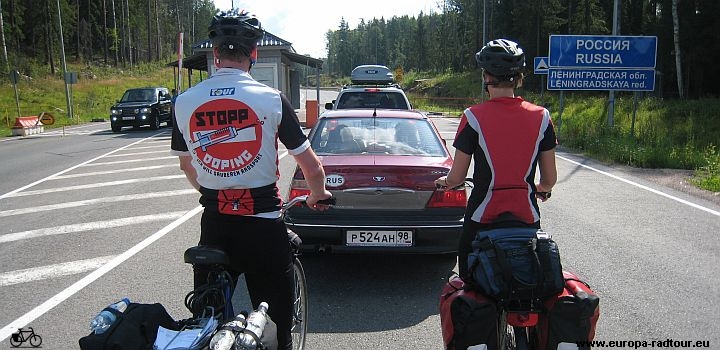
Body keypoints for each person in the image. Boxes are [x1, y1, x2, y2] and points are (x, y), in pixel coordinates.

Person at [170, 8, 332, 350]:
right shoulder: (271, 99)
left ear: (214, 54)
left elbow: (188, 167)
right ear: (254, 54)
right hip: (263, 228)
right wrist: (318, 194)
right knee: (277, 331)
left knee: (206, 325)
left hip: (215, 225)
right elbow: (311, 167)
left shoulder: (183, 102)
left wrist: (216, 193)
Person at [434, 38, 557, 279]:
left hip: (482, 216)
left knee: (470, 284)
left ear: (486, 77)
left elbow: (458, 176)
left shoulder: (473, 117)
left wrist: (445, 182)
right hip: (526, 217)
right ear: (519, 78)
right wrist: (541, 188)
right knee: (527, 283)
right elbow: (550, 179)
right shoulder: (542, 117)